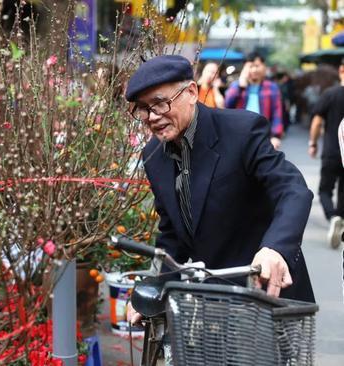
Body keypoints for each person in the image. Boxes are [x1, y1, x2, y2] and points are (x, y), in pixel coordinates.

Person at [124, 55, 315, 322]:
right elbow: (171, 235)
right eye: (143, 109)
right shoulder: (153, 154)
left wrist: (276, 249)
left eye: (159, 103)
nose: (152, 117)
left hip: (266, 293)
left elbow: (292, 189)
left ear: (191, 92)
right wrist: (153, 286)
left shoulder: (242, 131)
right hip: (214, 305)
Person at [308, 59, 344, 249]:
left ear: (341, 70)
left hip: (331, 151)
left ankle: (333, 217)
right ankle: (340, 219)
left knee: (324, 190)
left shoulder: (330, 94)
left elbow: (316, 122)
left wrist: (313, 143)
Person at [224, 52, 284, 150]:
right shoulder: (237, 86)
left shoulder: (272, 87)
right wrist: (240, 85)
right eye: (250, 66)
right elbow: (227, 104)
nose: (254, 69)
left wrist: (276, 136)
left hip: (263, 136)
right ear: (245, 69)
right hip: (239, 135)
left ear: (264, 67)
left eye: (257, 66)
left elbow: (277, 112)